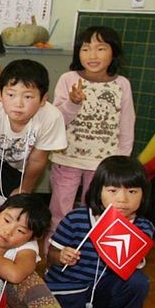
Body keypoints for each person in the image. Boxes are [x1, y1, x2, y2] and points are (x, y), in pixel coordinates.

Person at [46, 156, 154, 308]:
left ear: (144, 194)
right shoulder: (76, 218)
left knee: (138, 282)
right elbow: (50, 255)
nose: (123, 199)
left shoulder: (143, 227)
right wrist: (61, 256)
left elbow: (131, 266)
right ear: (98, 191)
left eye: (132, 192)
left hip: (103, 292)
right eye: (113, 191)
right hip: (69, 289)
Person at [48, 27, 135, 241]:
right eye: (85, 49)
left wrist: (121, 161)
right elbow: (56, 120)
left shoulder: (122, 84)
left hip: (103, 164)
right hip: (67, 158)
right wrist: (72, 102)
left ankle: (88, 251)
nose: (92, 55)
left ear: (114, 52)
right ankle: (55, 252)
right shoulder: (68, 79)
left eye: (101, 48)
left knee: (95, 211)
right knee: (60, 209)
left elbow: (127, 124)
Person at [0, 59, 66, 196]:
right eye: (11, 95)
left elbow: (37, 160)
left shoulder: (51, 117)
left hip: (28, 160)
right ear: (0, 95)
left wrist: (24, 189)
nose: (18, 104)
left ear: (43, 99)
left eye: (28, 96)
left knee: (19, 197)